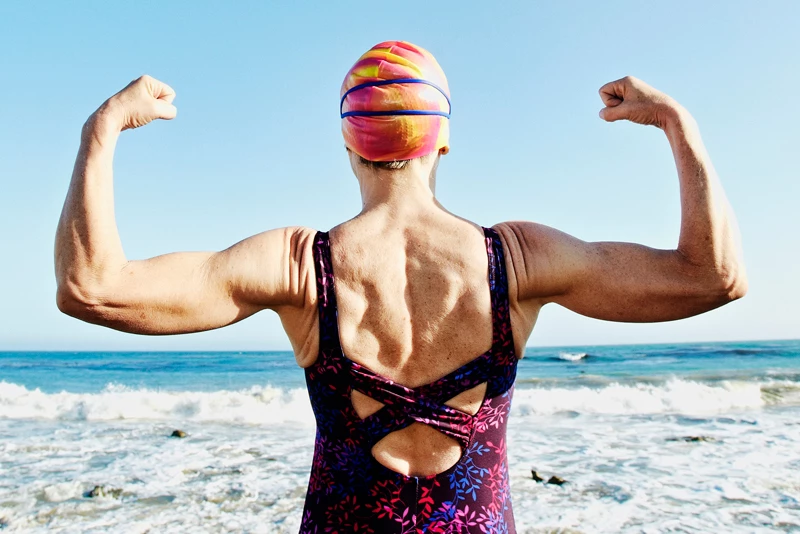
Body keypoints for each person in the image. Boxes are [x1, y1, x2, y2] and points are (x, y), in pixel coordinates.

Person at [55, 41, 746, 533]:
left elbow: (92, 288)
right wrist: (674, 122)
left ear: (350, 145)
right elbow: (713, 278)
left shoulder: (300, 265)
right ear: (441, 141)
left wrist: (102, 129)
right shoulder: (520, 259)